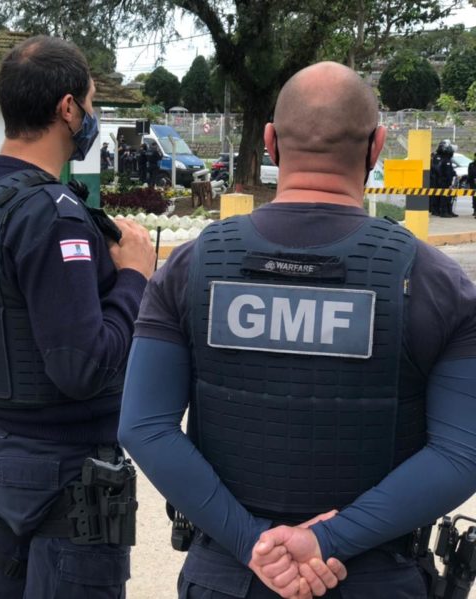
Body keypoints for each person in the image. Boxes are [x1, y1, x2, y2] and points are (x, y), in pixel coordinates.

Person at [119, 61, 476, 598]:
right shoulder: (436, 280)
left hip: (227, 577)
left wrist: (251, 545)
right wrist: (327, 540)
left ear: (270, 142)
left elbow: (144, 427)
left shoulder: (192, 267)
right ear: (377, 146)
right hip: (374, 579)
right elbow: (460, 454)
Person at [0, 35, 156, 599]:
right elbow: (81, 365)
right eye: (89, 103)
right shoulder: (50, 216)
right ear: (67, 109)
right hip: (61, 476)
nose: (92, 117)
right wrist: (134, 276)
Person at [431, 139, 458, 217]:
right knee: (443, 196)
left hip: (446, 181)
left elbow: (449, 171)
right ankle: (442, 211)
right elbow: (438, 170)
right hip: (441, 181)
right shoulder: (439, 158)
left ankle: (449, 210)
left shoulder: (447, 159)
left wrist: (454, 174)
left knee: (448, 196)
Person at [468, 152, 476, 217]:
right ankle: (475, 210)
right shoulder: (471, 164)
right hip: (473, 183)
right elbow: (470, 174)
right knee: (474, 197)